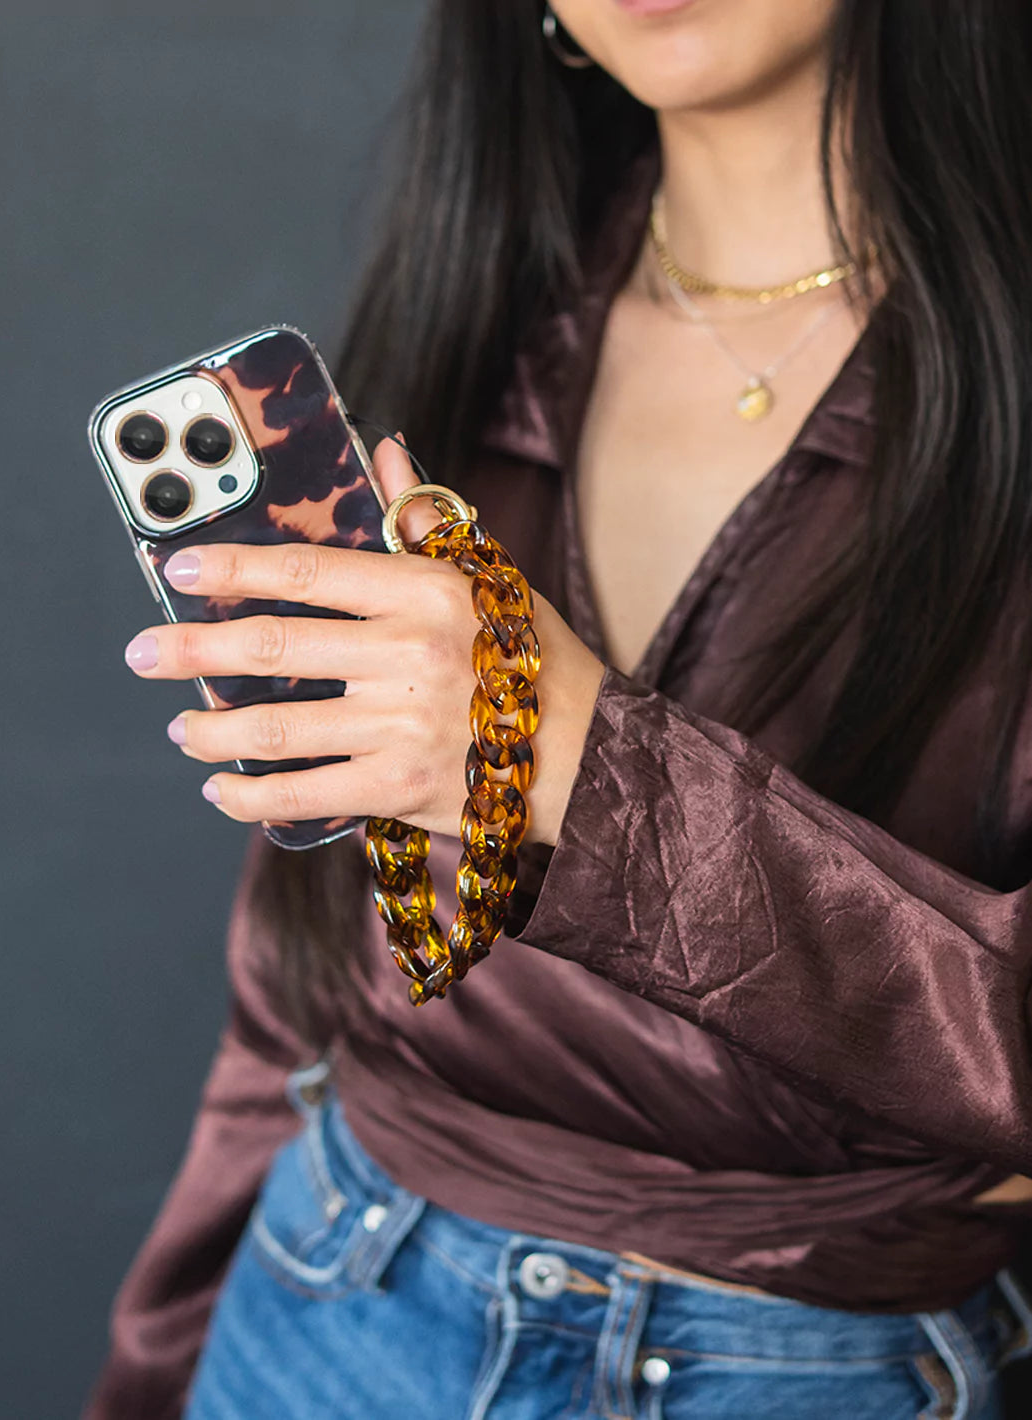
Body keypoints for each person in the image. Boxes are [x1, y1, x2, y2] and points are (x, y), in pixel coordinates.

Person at [85, 2, 1032, 1416]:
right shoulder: (477, 325)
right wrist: (155, 1375)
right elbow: (295, 993)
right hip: (329, 1304)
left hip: (800, 1360)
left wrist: (584, 771)